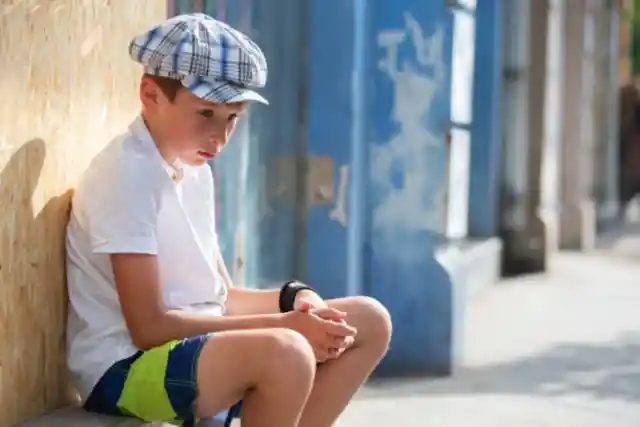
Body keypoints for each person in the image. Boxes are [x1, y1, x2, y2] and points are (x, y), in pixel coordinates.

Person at [65, 13, 392, 427]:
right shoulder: (127, 176)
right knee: (286, 350)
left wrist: (295, 300)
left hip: (195, 351)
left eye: (232, 118)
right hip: (122, 368)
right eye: (205, 114)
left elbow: (219, 298)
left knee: (368, 320)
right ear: (150, 95)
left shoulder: (194, 172)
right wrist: (285, 325)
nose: (219, 137)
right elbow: (148, 327)